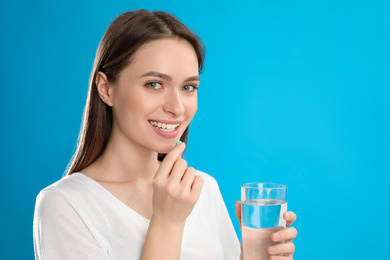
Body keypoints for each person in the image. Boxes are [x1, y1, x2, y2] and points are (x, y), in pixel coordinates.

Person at [33, 9, 297, 260]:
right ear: (106, 89)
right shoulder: (65, 205)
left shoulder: (203, 189)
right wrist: (168, 223)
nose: (177, 108)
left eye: (188, 87)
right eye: (154, 84)